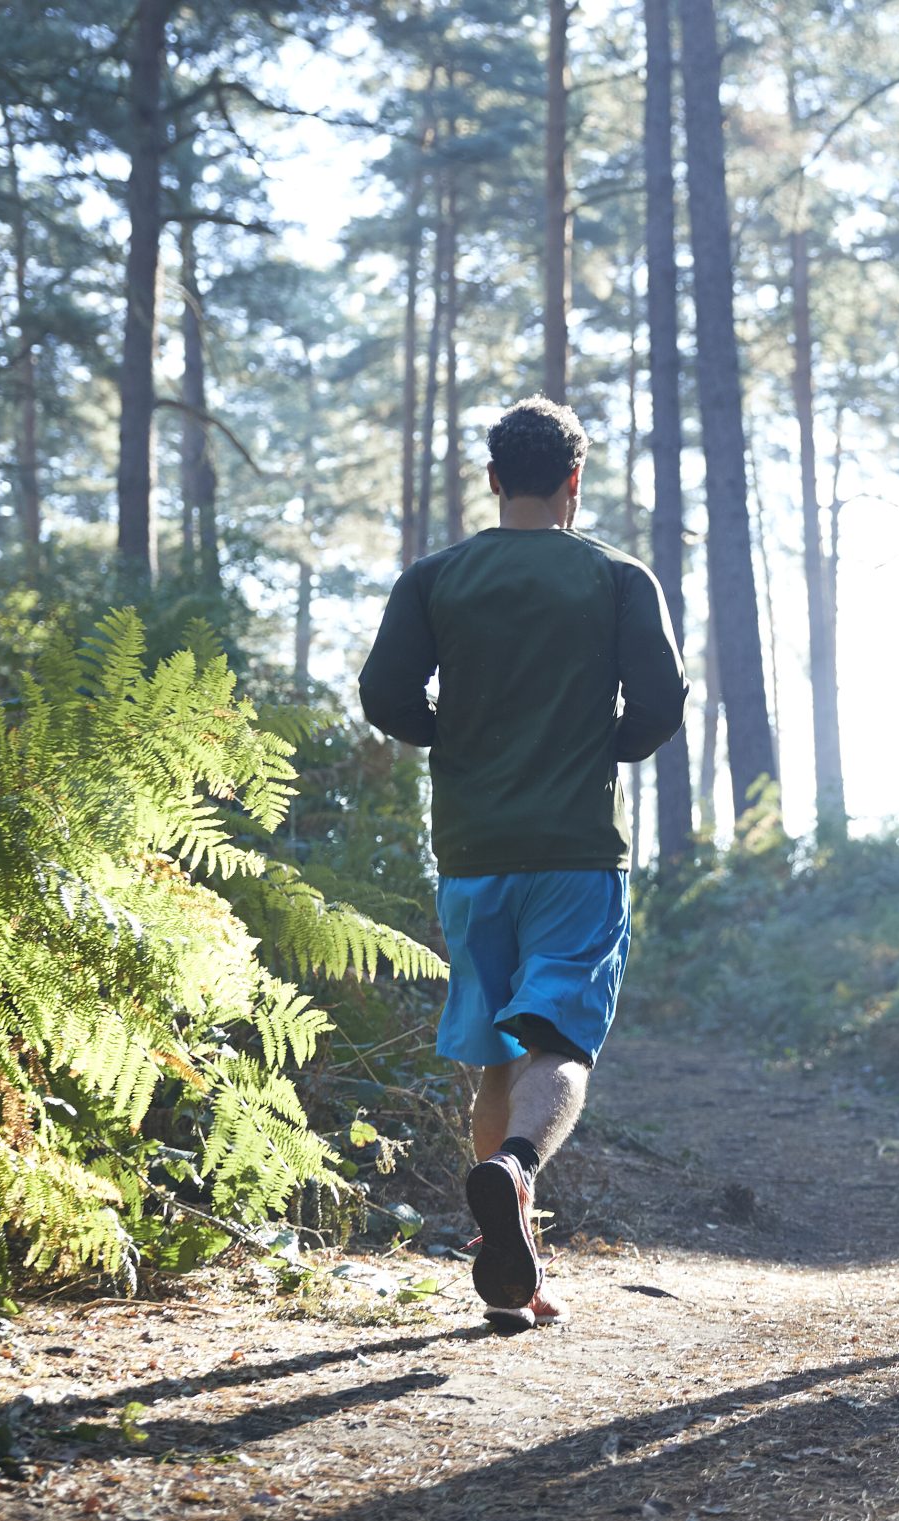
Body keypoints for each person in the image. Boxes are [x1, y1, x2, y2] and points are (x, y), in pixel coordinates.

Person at [359, 395, 688, 1334]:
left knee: (498, 1053)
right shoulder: (617, 578)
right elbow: (661, 702)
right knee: (562, 1043)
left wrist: (452, 735)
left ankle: (513, 1275)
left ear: (494, 477)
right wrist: (603, 746)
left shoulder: (435, 579)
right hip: (575, 850)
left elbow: (384, 693)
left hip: (473, 850)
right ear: (574, 480)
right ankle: (515, 1170)